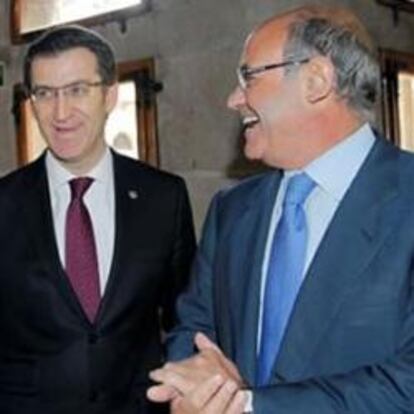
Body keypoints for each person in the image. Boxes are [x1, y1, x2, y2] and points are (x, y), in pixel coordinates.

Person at [147, 4, 414, 413]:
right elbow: (194, 327)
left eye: (248, 77)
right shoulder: (232, 210)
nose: (233, 99)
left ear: (316, 80)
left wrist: (249, 406)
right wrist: (194, 386)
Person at [0, 25, 196, 414]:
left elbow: (187, 317)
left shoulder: (163, 197)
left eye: (76, 90)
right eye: (45, 93)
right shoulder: (4, 203)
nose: (60, 112)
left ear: (109, 95)